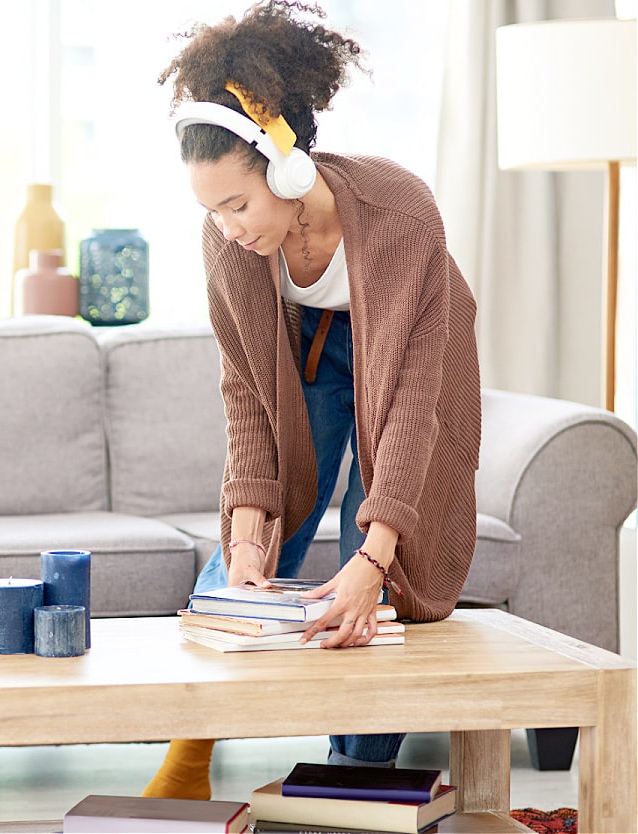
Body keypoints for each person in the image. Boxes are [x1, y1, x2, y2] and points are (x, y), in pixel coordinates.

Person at [141, 1, 481, 801]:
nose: (227, 228)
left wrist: (372, 558)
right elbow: (249, 401)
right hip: (314, 350)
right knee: (250, 552)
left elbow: (409, 406)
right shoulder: (229, 249)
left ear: (289, 170)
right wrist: (249, 538)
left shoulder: (401, 214)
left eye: (237, 205)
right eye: (210, 211)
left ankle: (353, 784)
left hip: (414, 363)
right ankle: (188, 756)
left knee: (383, 569)